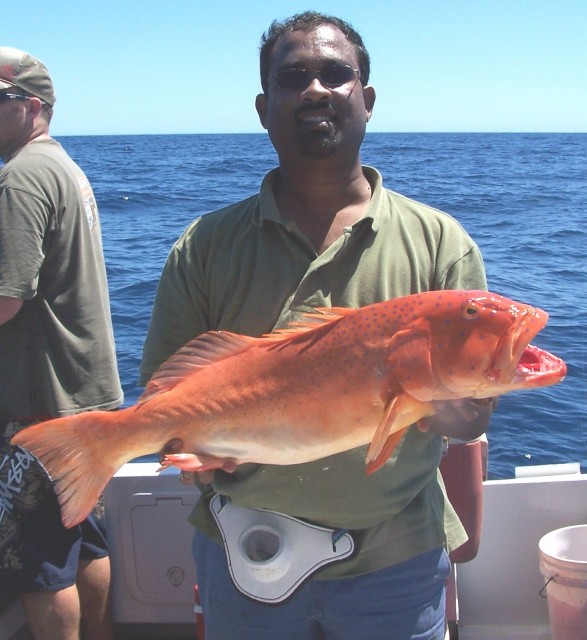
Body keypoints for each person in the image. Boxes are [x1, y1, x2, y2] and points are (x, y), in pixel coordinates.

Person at [140, 12, 495, 640]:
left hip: (396, 563)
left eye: (337, 74)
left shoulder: (440, 244)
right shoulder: (205, 245)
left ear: (368, 99)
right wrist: (196, 450)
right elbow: (164, 406)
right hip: (243, 556)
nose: (316, 89)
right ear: (263, 105)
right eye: (294, 76)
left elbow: (471, 421)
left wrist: (433, 393)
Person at [0, 47, 123, 640]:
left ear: (30, 106)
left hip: (38, 406)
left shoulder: (20, 176)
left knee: (37, 563)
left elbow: (6, 300)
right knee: (82, 540)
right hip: (89, 401)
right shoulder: (65, 168)